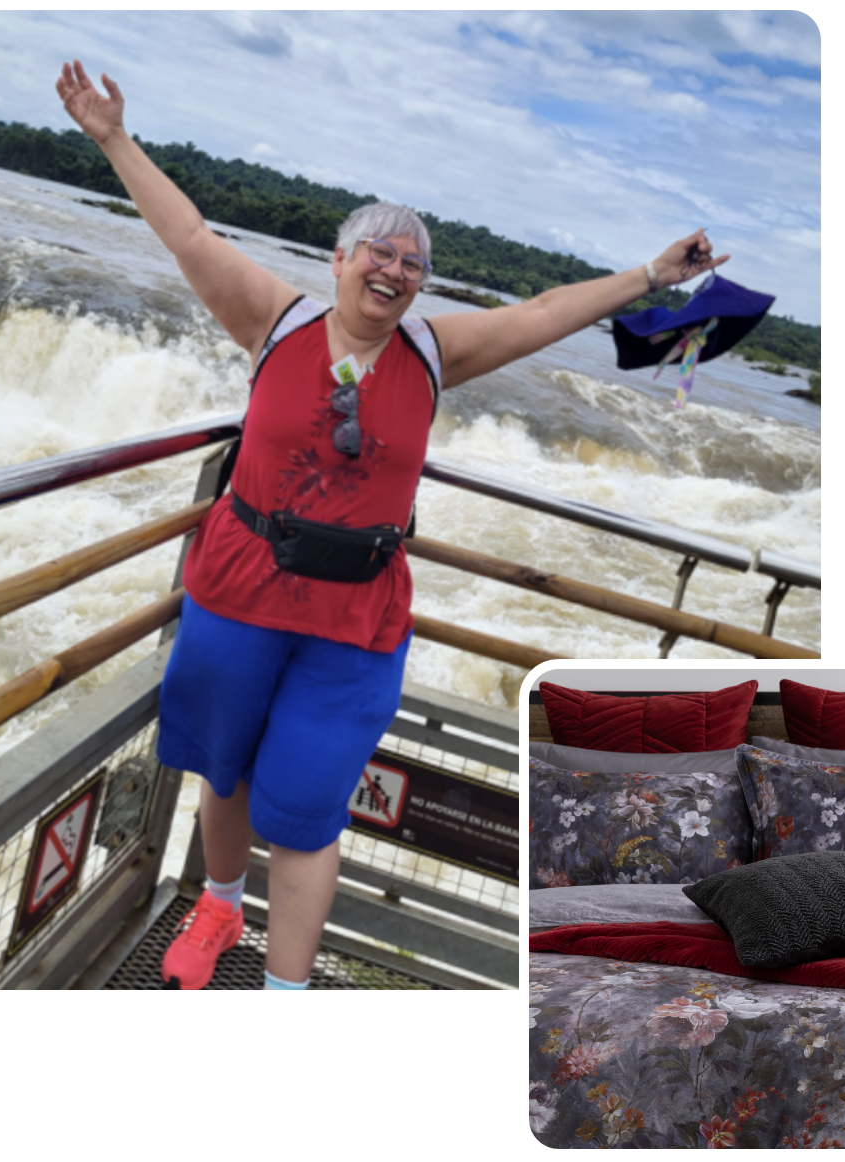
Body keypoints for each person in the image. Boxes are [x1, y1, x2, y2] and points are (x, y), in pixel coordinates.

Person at [55, 59, 729, 991]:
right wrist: (112, 138)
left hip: (354, 618)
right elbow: (187, 235)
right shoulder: (272, 320)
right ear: (337, 259)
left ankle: (284, 986)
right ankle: (216, 906)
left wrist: (651, 275)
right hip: (241, 584)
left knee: (305, 805)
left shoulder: (432, 352)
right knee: (224, 770)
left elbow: (542, 312)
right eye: (377, 248)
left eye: (413, 261)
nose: (395, 266)